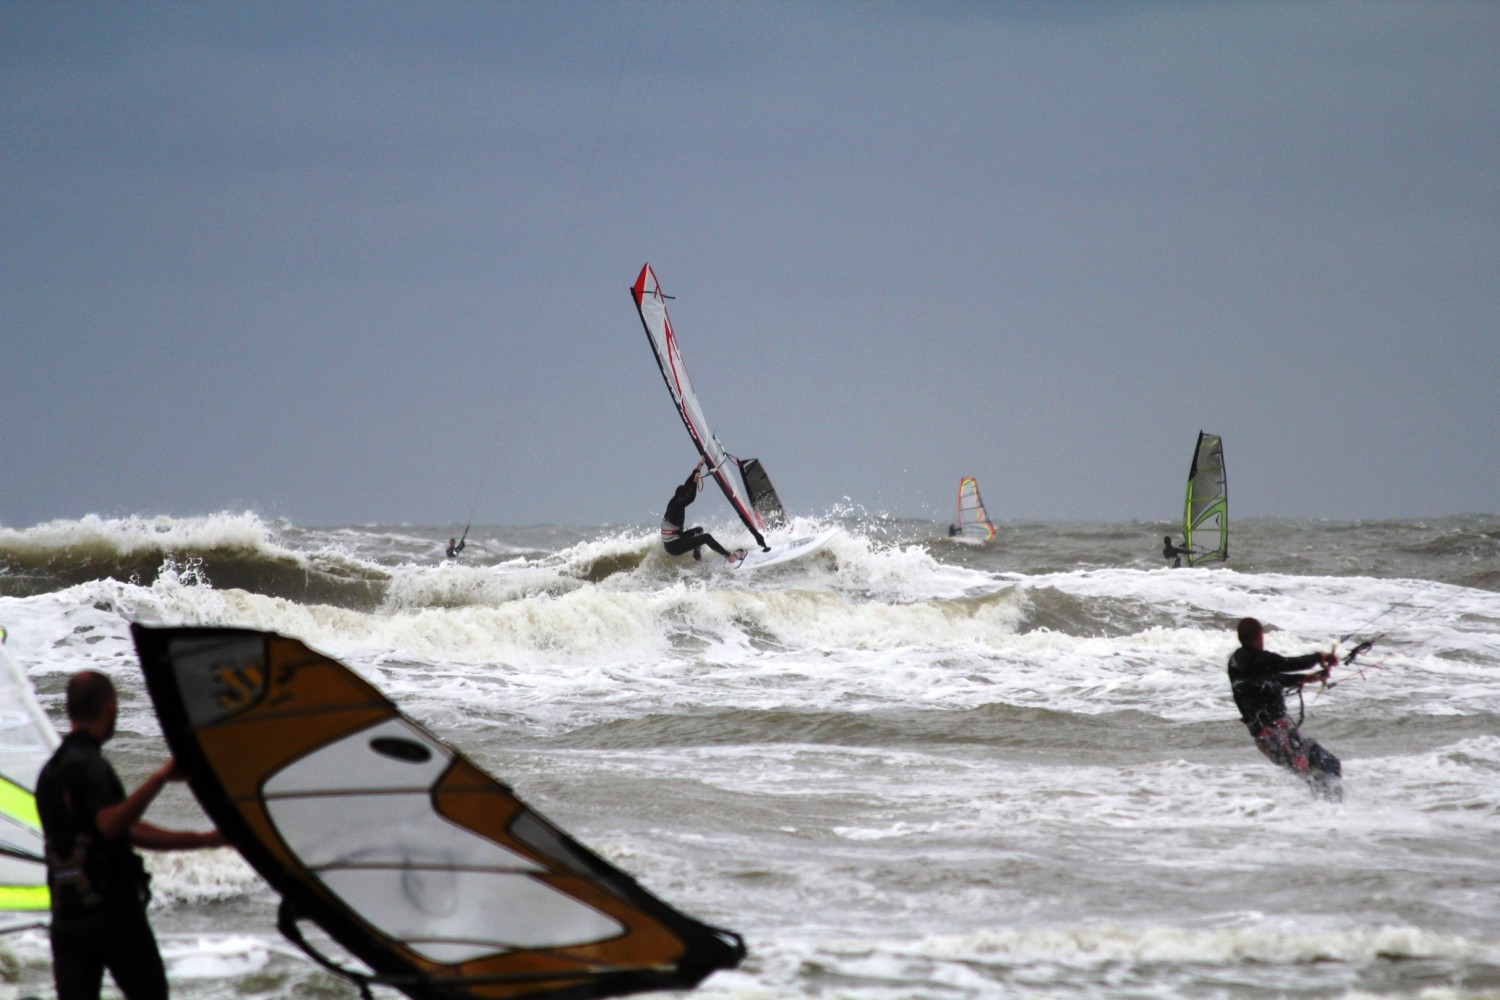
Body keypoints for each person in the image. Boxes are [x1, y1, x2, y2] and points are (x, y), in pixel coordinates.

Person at [36, 670, 226, 1000]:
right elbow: (112, 825)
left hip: (66, 918)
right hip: (111, 914)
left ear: (69, 711)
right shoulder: (92, 767)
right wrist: (160, 777)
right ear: (110, 708)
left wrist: (204, 839)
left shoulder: (49, 772)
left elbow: (123, 829)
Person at [1226, 617, 1343, 801]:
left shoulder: (1238, 662)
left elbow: (1274, 679)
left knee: (1328, 765)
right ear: (1259, 636)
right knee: (1317, 773)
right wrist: (1319, 657)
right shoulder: (1257, 660)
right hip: (1274, 736)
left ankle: (1330, 813)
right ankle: (1331, 815)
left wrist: (1309, 677)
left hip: (1279, 735)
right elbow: (1286, 664)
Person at [661, 459, 740, 563]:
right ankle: (729, 556)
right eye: (686, 495)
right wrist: (695, 481)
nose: (688, 495)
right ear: (682, 496)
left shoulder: (675, 500)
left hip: (675, 540)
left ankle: (697, 556)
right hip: (675, 546)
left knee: (699, 530)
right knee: (706, 537)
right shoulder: (677, 506)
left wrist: (698, 468)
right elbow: (692, 497)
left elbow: (687, 485)